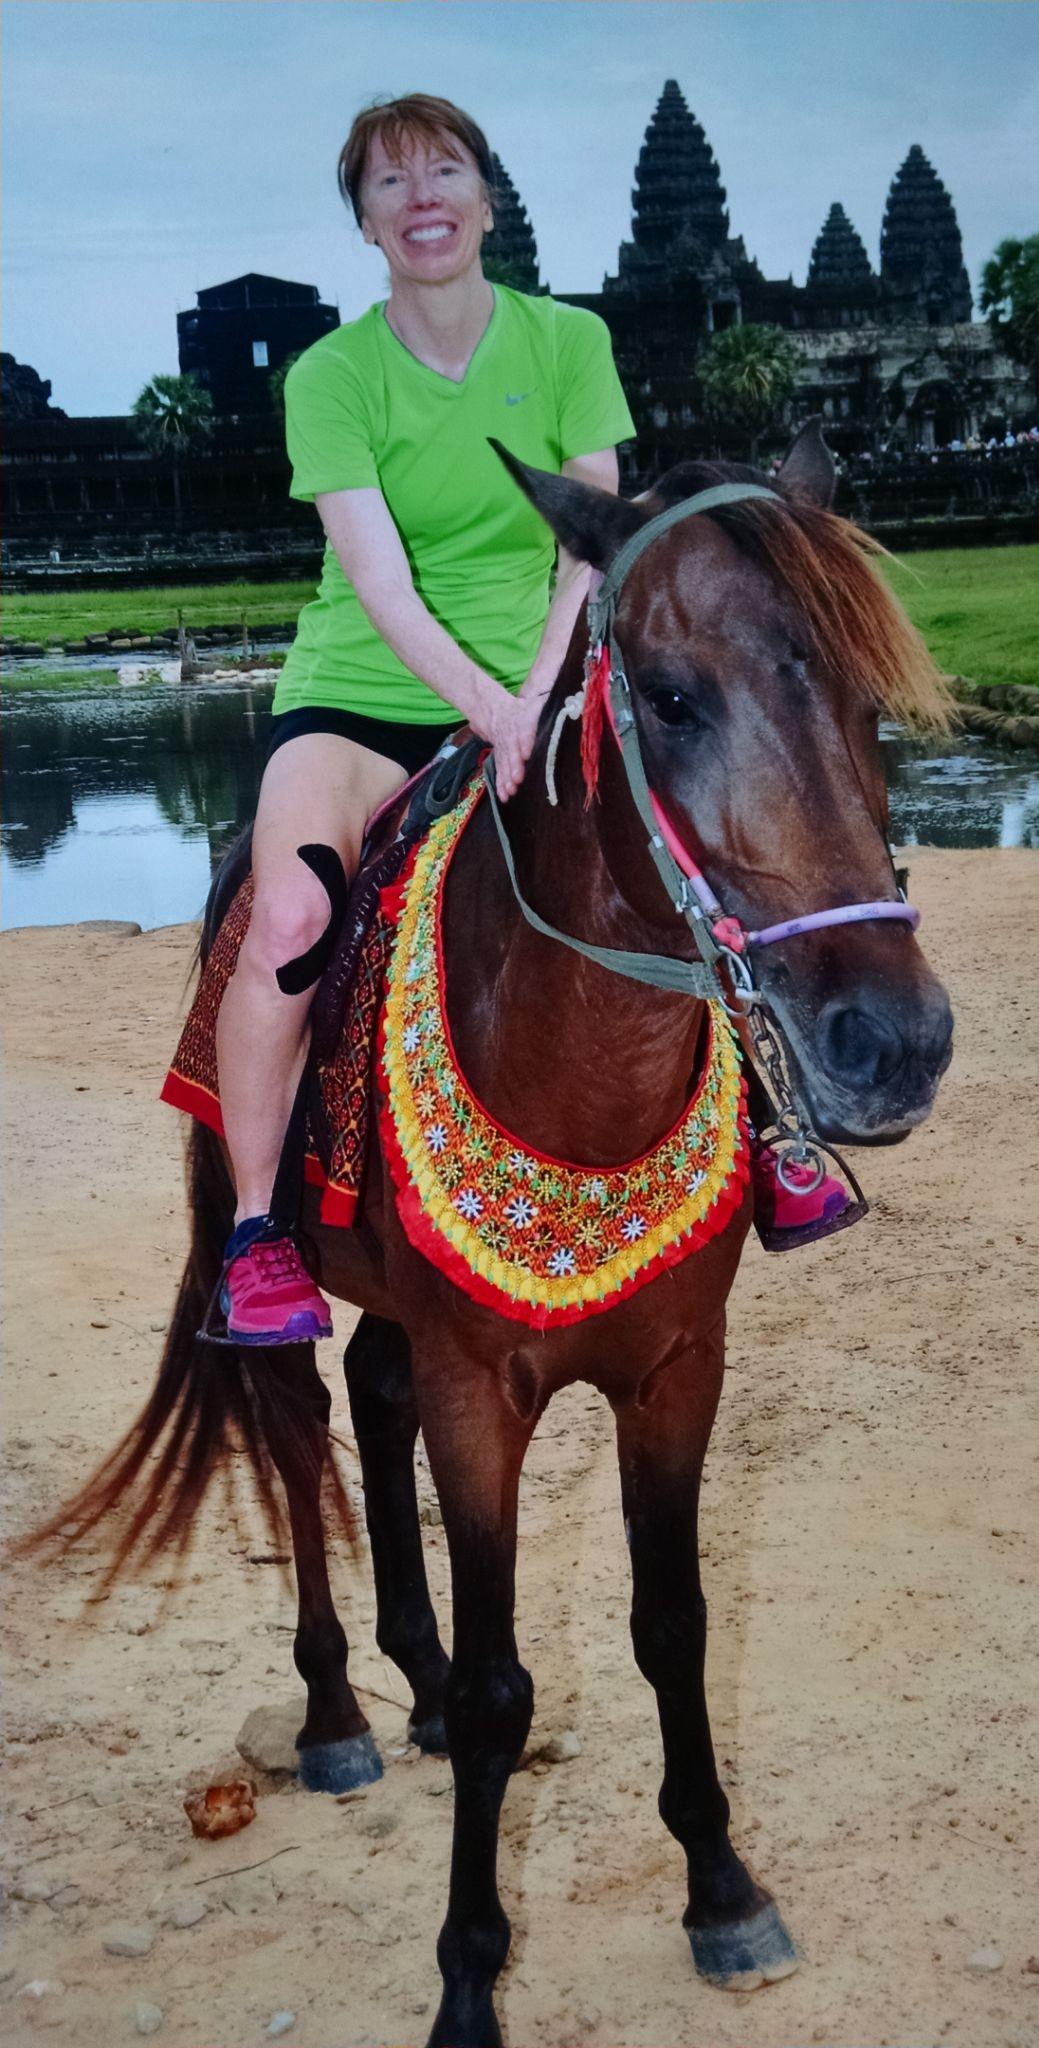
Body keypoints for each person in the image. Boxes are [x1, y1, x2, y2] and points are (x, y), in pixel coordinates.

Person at [212, 93, 635, 1343]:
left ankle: (774, 1132)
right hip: (361, 696)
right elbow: (382, 584)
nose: (422, 200)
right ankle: (255, 1228)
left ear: (487, 198)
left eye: (443, 171)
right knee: (288, 914)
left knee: (693, 844)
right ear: (365, 223)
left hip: (542, 675)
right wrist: (488, 713)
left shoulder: (567, 341)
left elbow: (590, 544)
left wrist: (538, 697)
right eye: (389, 185)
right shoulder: (331, 375)